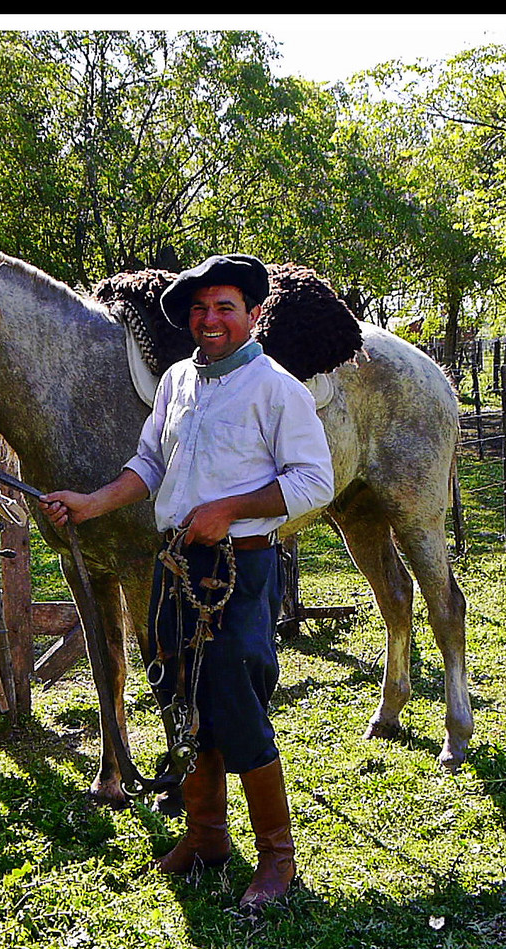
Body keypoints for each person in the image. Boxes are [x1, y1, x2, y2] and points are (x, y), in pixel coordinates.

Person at [41, 253, 334, 910]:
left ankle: (277, 861)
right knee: (179, 697)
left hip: (239, 569)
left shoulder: (277, 390)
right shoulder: (176, 381)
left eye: (224, 307)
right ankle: (206, 837)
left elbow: (315, 481)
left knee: (235, 704)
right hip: (173, 565)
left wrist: (228, 509)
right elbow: (148, 463)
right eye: (200, 309)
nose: (210, 320)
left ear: (253, 315)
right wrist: (90, 503)